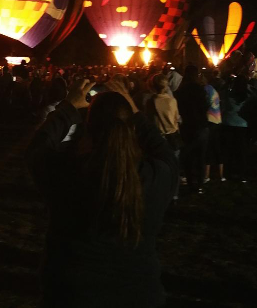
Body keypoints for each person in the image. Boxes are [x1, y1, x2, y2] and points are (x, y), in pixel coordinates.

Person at [26, 79, 177, 308]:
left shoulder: (67, 173)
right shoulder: (155, 177)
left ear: (88, 128)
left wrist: (68, 108)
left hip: (72, 294)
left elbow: (37, 149)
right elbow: (165, 152)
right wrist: (135, 113)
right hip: (139, 294)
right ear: (131, 129)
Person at [144, 74, 181, 201]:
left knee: (157, 168)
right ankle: (174, 195)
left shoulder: (151, 102)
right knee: (174, 167)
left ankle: (159, 194)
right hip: (172, 136)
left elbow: (148, 119)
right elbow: (176, 118)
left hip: (158, 137)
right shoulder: (172, 100)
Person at [174, 65, 209, 194]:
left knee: (188, 156)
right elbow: (205, 106)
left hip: (187, 126)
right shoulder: (200, 90)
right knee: (201, 156)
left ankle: (190, 182)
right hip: (201, 126)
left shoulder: (181, 91)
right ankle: (199, 184)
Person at [221, 76, 250, 182]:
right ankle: (241, 174)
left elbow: (222, 94)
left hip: (228, 123)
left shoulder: (229, 95)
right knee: (241, 151)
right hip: (243, 125)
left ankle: (227, 172)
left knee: (228, 150)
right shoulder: (247, 96)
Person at [202, 72, 224, 183]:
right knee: (217, 147)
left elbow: (205, 103)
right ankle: (221, 175)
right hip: (217, 120)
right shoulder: (214, 90)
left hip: (210, 120)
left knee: (209, 149)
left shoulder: (206, 89)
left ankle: (206, 176)